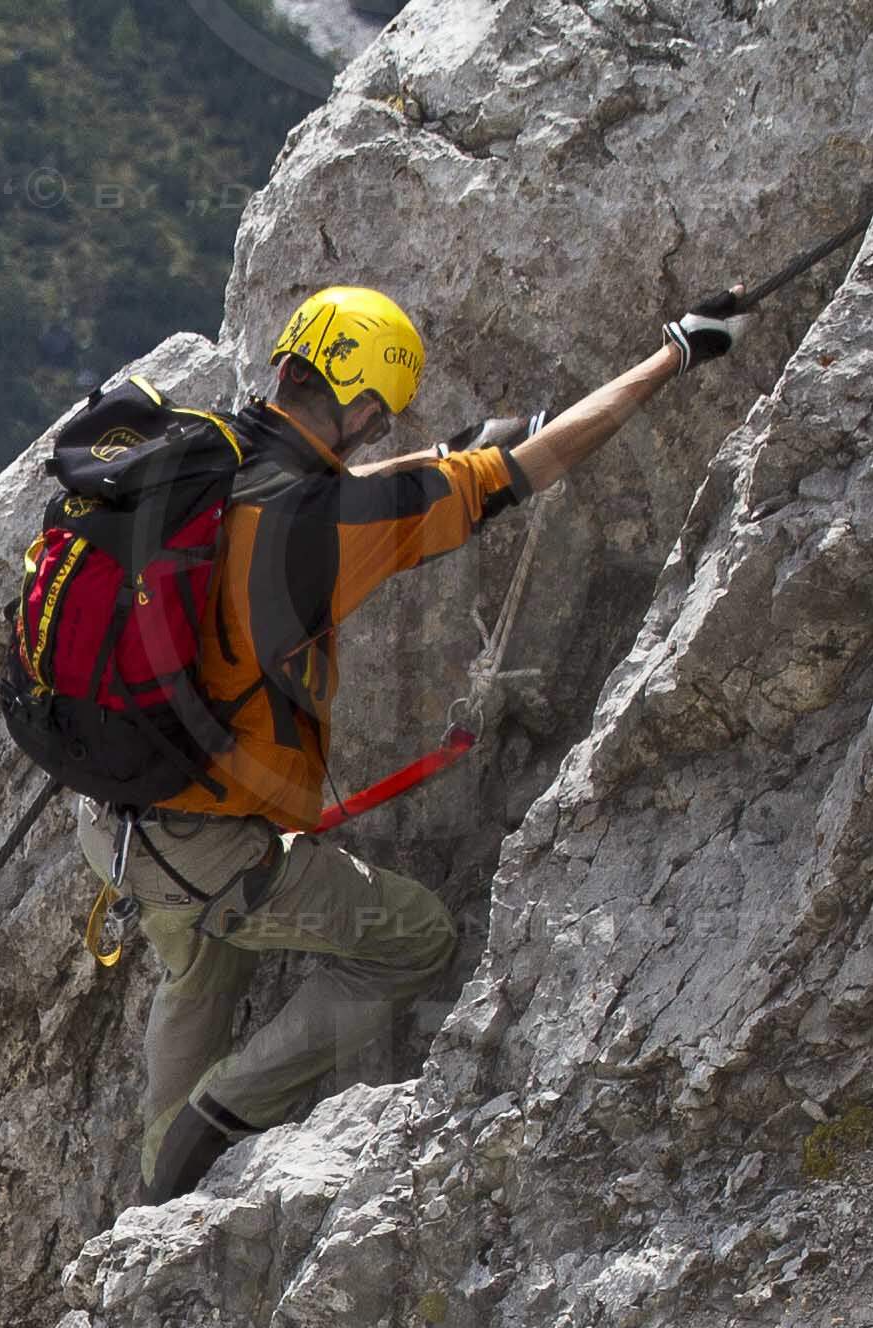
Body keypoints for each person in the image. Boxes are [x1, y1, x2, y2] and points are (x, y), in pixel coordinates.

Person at [86, 284, 738, 1205]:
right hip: (209, 847)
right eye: (376, 417)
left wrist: (458, 450)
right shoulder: (343, 524)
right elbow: (527, 467)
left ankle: (157, 1187)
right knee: (413, 941)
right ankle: (219, 1116)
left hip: (115, 812)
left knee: (199, 961)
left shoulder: (200, 461)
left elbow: (349, 480)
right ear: (361, 411)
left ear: (287, 364)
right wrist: (675, 352)